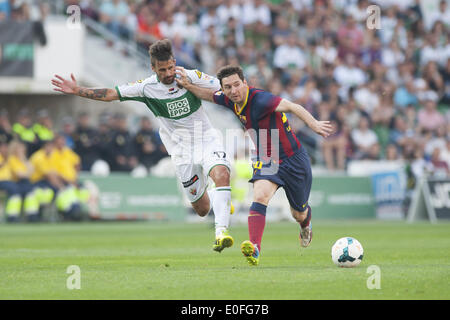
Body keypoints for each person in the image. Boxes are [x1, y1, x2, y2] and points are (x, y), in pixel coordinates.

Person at [51, 39, 234, 252]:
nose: (168, 73)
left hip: (206, 139)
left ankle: (221, 233)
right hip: (181, 150)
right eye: (162, 69)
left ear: (175, 62)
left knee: (221, 173)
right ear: (153, 68)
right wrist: (77, 90)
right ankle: (218, 197)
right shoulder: (146, 88)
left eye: (170, 67)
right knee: (202, 209)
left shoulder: (190, 76)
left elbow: (223, 87)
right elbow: (110, 94)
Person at [176, 65, 332, 266]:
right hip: (268, 157)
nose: (233, 91)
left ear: (245, 83)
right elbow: (207, 94)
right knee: (260, 196)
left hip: (294, 159)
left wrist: (314, 124)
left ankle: (306, 223)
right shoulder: (228, 99)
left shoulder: (261, 99)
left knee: (298, 213)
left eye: (237, 85)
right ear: (223, 89)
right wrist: (188, 85)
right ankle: (255, 247)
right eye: (228, 87)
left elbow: (293, 107)